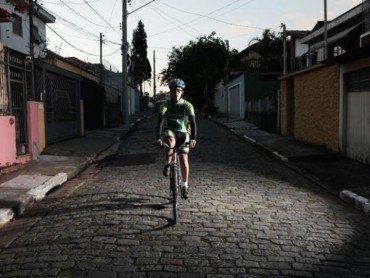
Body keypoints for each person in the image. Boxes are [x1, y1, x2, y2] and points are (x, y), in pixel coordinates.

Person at [155, 78, 197, 199]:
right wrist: (158, 138)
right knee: (170, 142)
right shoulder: (165, 105)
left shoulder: (187, 105)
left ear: (182, 92)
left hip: (183, 132)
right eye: (173, 91)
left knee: (183, 159)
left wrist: (193, 138)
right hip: (170, 131)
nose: (176, 93)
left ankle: (184, 185)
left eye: (178, 90)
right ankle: (168, 164)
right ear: (170, 92)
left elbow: (193, 123)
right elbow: (160, 122)